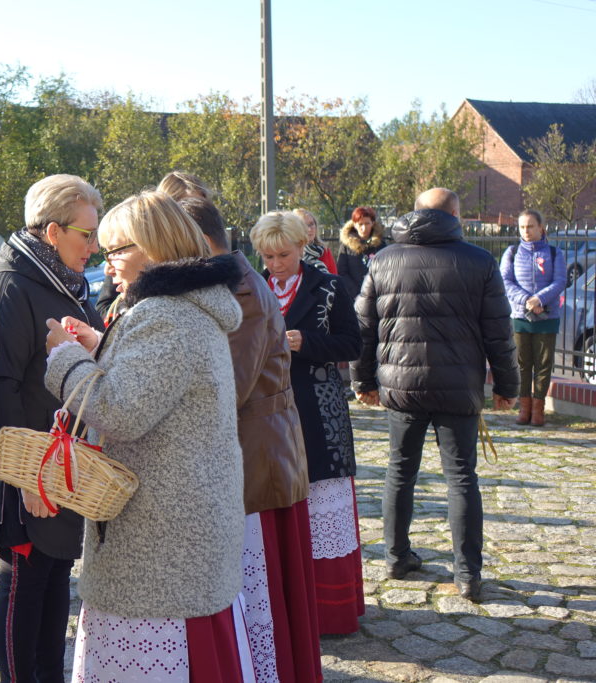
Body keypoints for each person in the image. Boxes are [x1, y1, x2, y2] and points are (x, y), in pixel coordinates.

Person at [44, 190, 252, 682]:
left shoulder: (166, 315)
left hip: (162, 544)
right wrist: (100, 347)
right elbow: (154, 389)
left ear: (154, 247)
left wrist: (64, 359)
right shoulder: (176, 309)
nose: (105, 259)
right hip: (177, 528)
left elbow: (118, 411)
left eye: (117, 248)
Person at [351, 188, 518, 602]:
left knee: (400, 471)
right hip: (458, 386)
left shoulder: (384, 259)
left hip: (401, 386)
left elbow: (363, 328)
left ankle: (395, 556)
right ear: (456, 215)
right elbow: (500, 331)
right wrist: (508, 386)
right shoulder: (480, 262)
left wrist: (363, 381)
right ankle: (467, 573)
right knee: (462, 478)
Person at [181, 197, 321, 682]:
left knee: (258, 592)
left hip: (254, 457)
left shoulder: (240, 289)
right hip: (251, 453)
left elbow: (228, 388)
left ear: (196, 240)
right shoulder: (233, 282)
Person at [0, 174, 104, 683]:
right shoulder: (10, 286)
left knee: (53, 580)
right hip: (28, 472)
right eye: (85, 234)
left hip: (63, 465)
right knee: (24, 583)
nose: (93, 246)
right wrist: (24, 475)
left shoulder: (64, 283)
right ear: (52, 232)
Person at [251, 210, 364, 635]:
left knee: (320, 504)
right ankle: (282, 608)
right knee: (275, 501)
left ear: (301, 247)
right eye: (267, 256)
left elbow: (352, 343)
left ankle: (328, 609)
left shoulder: (330, 286)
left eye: (282, 255)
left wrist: (307, 342)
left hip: (318, 409)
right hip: (265, 409)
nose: (275, 264)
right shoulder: (253, 289)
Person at [94, 171, 211, 321]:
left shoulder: (159, 317)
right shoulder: (193, 303)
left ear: (154, 245)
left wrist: (65, 345)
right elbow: (105, 307)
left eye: (116, 252)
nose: (107, 269)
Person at [500, 209, 567, 427]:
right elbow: (506, 281)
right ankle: (524, 408)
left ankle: (538, 411)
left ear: (541, 228)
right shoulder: (512, 252)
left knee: (544, 364)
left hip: (547, 317)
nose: (526, 231)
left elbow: (559, 281)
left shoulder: (555, 253)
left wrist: (539, 299)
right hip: (520, 316)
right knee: (522, 364)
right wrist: (527, 300)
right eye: (522, 227)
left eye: (530, 226)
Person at [336, 206, 385, 299]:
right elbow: (342, 272)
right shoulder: (346, 245)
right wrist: (356, 293)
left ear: (373, 223)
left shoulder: (381, 245)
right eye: (360, 224)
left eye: (367, 223)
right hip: (353, 297)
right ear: (354, 224)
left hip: (377, 295)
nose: (364, 228)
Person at [294, 208, 337, 274]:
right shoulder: (291, 251)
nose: (309, 229)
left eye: (311, 224)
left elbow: (334, 278)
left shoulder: (324, 250)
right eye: (304, 225)